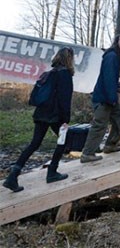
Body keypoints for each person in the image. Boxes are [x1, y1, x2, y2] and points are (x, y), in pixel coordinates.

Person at [3, 47, 75, 192]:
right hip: (55, 115)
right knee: (64, 141)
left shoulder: (48, 74)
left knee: (34, 143)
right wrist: (66, 119)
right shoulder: (65, 74)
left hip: (41, 113)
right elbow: (64, 99)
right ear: (70, 59)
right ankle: (52, 172)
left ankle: (13, 175)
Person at [80, 34, 120, 163]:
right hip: (104, 98)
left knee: (119, 117)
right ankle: (87, 153)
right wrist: (111, 98)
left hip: (110, 96)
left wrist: (117, 86)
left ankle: (110, 145)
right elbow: (107, 79)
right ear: (116, 42)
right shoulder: (111, 56)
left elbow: (111, 79)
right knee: (99, 125)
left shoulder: (115, 57)